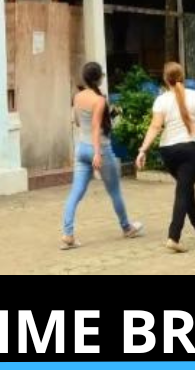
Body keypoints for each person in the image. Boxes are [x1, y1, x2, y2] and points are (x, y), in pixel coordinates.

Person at [60, 62, 143, 250]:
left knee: (75, 192)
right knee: (114, 191)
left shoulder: (78, 96)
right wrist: (97, 153)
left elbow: (78, 122)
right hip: (100, 149)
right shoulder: (99, 100)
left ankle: (68, 233)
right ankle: (126, 227)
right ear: (99, 78)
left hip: (81, 148)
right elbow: (97, 127)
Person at [135, 61, 195, 253]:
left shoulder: (161, 100)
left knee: (185, 188)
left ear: (165, 79)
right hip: (190, 150)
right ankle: (173, 237)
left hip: (168, 152)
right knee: (183, 191)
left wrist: (142, 150)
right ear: (182, 77)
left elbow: (155, 127)